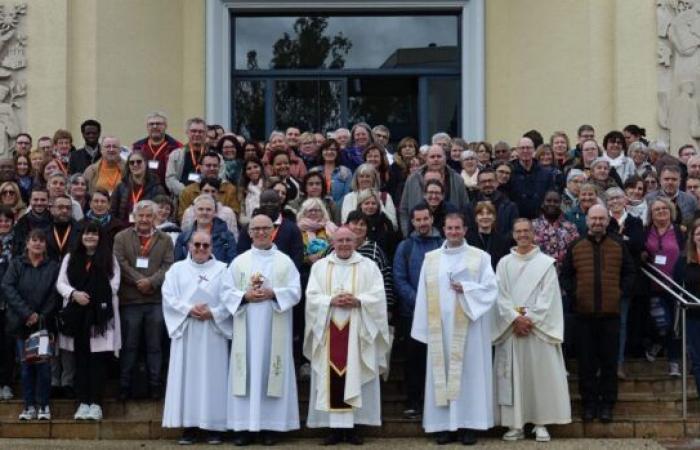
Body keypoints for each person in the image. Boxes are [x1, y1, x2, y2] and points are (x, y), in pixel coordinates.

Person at [411, 213, 497, 445]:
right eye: (449, 228)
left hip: (470, 328)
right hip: (440, 329)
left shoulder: (480, 257)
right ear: (443, 230)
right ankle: (444, 426)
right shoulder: (431, 259)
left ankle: (469, 425)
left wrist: (467, 288)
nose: (454, 232)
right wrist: (422, 326)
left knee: (469, 376)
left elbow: (490, 290)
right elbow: (422, 293)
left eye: (458, 228)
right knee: (442, 375)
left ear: (466, 229)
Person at [304, 226, 390, 445]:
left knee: (356, 374)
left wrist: (359, 300)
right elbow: (312, 297)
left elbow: (379, 296)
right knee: (330, 376)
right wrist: (329, 300)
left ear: (356, 242)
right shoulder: (320, 267)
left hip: (358, 331)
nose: (343, 244)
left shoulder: (368, 266)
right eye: (339, 240)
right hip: (328, 328)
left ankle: (353, 428)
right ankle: (333, 430)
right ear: (332, 242)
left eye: (348, 240)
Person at [222, 214, 302, 445]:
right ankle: (244, 427)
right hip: (246, 328)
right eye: (255, 229)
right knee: (245, 373)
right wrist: (244, 296)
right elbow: (226, 292)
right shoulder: (239, 261)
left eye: (265, 228)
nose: (260, 232)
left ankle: (271, 427)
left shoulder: (284, 261)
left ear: (273, 231)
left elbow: (295, 291)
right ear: (249, 233)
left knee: (271, 370)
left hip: (274, 326)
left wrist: (274, 293)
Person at [492, 219, 571, 442]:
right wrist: (515, 318)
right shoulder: (504, 263)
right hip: (512, 329)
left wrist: (529, 319)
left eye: (526, 231)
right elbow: (500, 296)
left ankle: (541, 423)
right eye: (518, 231)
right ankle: (515, 425)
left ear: (533, 234)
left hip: (537, 330)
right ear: (513, 234)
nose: (523, 235)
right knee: (514, 378)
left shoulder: (545, 263)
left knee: (539, 379)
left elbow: (549, 297)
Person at [560, 205, 636, 423]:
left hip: (610, 315)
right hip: (583, 316)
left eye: (601, 218)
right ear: (587, 220)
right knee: (586, 364)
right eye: (593, 218)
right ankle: (589, 405)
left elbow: (630, 273)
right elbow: (566, 275)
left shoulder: (618, 245)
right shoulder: (576, 245)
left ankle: (607, 405)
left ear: (607, 220)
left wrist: (620, 292)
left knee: (609, 364)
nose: (597, 222)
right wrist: (575, 294)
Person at [161, 230, 230, 445]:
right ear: (189, 246)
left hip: (212, 331)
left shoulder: (223, 270)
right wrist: (189, 309)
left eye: (205, 245)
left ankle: (214, 427)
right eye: (197, 245)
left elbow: (230, 298)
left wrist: (214, 313)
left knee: (213, 378)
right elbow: (168, 296)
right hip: (187, 329)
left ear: (212, 247)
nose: (201, 249)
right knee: (187, 378)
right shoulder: (177, 269)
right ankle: (189, 427)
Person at [56, 222, 120, 421]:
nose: (90, 237)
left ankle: (96, 404)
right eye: (86, 234)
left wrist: (91, 297)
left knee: (98, 362)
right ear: (81, 237)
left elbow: (114, 284)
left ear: (100, 237)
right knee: (80, 360)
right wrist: (74, 294)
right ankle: (83, 402)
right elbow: (61, 283)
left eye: (94, 234)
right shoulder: (70, 258)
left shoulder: (109, 258)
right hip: (77, 315)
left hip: (100, 317)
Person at [113, 200, 174, 400]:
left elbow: (168, 265)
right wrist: (140, 280)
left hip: (155, 300)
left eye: (149, 216)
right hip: (130, 300)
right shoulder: (121, 237)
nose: (145, 219)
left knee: (155, 345)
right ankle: (124, 385)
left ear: (155, 217)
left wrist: (152, 282)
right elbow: (119, 262)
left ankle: (155, 386)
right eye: (141, 216)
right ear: (134, 217)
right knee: (129, 345)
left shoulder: (165, 239)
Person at [2, 229, 60, 421]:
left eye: (41, 241)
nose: (37, 244)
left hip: (43, 324)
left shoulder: (53, 266)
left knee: (43, 366)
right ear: (27, 243)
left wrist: (40, 316)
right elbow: (8, 287)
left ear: (45, 245)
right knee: (26, 367)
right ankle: (29, 406)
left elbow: (55, 293)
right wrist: (27, 313)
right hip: (21, 323)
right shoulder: (17, 264)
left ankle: (43, 405)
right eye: (33, 240)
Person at [393, 205, 443, 419]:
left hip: (441, 313)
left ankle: (438, 402)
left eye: (426, 219)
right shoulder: (405, 247)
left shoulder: (443, 244)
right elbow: (399, 279)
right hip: (412, 314)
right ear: (412, 222)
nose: (422, 223)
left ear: (431, 219)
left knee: (439, 360)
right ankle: (414, 402)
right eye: (418, 220)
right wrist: (420, 302)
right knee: (414, 361)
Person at [605, 187, 644, 379]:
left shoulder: (635, 222)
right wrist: (623, 239)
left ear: (625, 200)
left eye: (618, 197)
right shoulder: (604, 222)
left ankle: (619, 363)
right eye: (610, 199)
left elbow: (637, 245)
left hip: (626, 283)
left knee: (621, 324)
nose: (614, 201)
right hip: (605, 281)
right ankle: (604, 363)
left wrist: (618, 239)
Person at [643, 198, 685, 375]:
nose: (661, 211)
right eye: (656, 209)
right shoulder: (645, 231)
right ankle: (656, 342)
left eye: (664, 208)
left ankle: (674, 362)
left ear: (670, 211)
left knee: (674, 326)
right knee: (662, 323)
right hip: (653, 286)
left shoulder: (679, 231)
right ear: (651, 214)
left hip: (675, 286)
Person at [399, 144, 469, 236]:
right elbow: (404, 210)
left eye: (439, 156)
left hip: (450, 236)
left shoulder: (457, 179)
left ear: (445, 158)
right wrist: (407, 233)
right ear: (426, 159)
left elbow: (465, 208)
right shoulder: (413, 179)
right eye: (432, 157)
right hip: (418, 236)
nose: (436, 159)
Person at [237, 190, 304, 270]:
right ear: (259, 205)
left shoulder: (292, 228)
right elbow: (242, 253)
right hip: (255, 276)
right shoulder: (249, 228)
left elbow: (297, 256)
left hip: (283, 275)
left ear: (279, 204)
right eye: (265, 202)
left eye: (273, 202)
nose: (269, 205)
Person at [177, 151, 239, 222]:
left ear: (219, 167)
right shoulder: (188, 191)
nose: (212, 168)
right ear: (200, 167)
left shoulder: (230, 189)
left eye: (215, 166)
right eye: (208, 165)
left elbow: (234, 214)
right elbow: (182, 217)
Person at [174, 194, 237, 264]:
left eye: (208, 209)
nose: (204, 212)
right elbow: (178, 263)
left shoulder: (226, 239)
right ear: (194, 212)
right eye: (200, 209)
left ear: (215, 213)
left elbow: (231, 261)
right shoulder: (183, 238)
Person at [132, 111, 183, 192]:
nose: (155, 126)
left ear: (165, 126)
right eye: (151, 124)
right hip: (143, 192)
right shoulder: (137, 147)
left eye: (158, 124)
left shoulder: (177, 147)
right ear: (147, 127)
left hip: (168, 193)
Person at [110, 150, 165, 224]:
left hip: (147, 229)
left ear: (145, 163)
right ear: (128, 166)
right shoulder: (120, 187)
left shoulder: (157, 189)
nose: (135, 165)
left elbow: (159, 214)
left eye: (139, 161)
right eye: (131, 162)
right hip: (123, 230)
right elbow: (113, 212)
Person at [509, 137, 556, 219]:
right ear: (517, 151)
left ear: (534, 150)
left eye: (528, 148)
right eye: (522, 148)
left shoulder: (546, 173)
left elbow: (550, 196)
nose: (525, 151)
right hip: (517, 219)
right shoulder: (510, 172)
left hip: (540, 219)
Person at [463, 168, 519, 236]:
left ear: (497, 183)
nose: (487, 184)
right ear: (478, 184)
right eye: (483, 182)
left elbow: (513, 232)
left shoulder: (510, 207)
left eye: (490, 181)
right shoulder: (469, 208)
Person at [532, 191, 580, 271]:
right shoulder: (533, 226)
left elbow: (576, 252)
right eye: (548, 201)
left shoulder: (570, 228)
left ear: (561, 204)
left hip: (563, 275)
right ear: (543, 202)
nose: (552, 204)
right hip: (539, 273)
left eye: (556, 201)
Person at [165, 117, 211, 198]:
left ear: (206, 134)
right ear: (187, 132)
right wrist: (187, 193)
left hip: (207, 200)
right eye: (193, 131)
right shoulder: (176, 155)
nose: (197, 134)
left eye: (201, 132)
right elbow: (170, 179)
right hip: (182, 199)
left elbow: (220, 178)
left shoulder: (215, 156)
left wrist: (204, 193)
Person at [341, 163, 397, 229]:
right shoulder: (349, 197)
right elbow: (345, 222)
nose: (364, 179)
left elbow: (393, 224)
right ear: (356, 179)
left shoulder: (385, 197)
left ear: (374, 178)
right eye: (361, 176)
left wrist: (379, 204)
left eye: (368, 176)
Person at [466, 201, 510, 270]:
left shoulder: (502, 241)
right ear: (476, 218)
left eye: (489, 213)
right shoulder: (467, 240)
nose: (485, 217)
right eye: (481, 214)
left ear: (494, 217)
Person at [0, 207, 14, 400]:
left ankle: (6, 384)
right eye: (0, 220)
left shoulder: (17, 242)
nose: (3, 224)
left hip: (10, 303)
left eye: (7, 220)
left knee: (7, 346)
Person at [12, 188, 51, 257]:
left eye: (43, 200)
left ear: (48, 201)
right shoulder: (21, 223)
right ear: (30, 201)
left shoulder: (55, 221)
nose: (39, 203)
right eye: (35, 200)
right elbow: (17, 249)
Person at [312, 139, 352, 205]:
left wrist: (335, 207)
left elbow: (347, 196)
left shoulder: (346, 172)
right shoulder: (314, 172)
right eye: (326, 149)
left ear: (337, 152)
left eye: (333, 149)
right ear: (321, 152)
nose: (329, 152)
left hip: (339, 210)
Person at [386, 137, 418, 206]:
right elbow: (392, 190)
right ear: (400, 150)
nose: (407, 148)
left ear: (416, 150)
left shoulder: (421, 166)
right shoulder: (393, 168)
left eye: (410, 146)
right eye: (404, 147)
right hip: (399, 204)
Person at [238, 157, 266, 226]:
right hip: (249, 226)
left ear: (261, 168)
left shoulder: (270, 185)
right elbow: (242, 214)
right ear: (245, 172)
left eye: (255, 167)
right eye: (249, 169)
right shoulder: (243, 190)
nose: (253, 170)